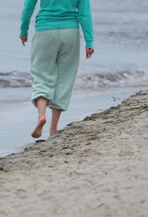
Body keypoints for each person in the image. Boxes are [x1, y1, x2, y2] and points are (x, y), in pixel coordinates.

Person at [19, 0, 94, 138]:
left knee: (42, 76)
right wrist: (89, 41)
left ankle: (41, 116)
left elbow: (28, 7)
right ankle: (53, 129)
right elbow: (84, 14)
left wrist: (23, 30)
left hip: (45, 31)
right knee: (64, 79)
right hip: (70, 32)